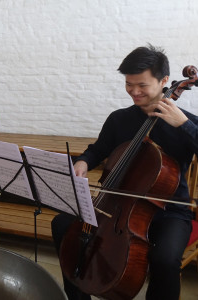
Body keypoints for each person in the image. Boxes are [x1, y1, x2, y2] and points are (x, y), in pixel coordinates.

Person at [52, 45, 198, 300]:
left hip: (169, 211)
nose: (134, 91)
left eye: (142, 85)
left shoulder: (185, 121)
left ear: (164, 81)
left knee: (165, 259)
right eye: (129, 84)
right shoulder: (119, 119)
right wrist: (84, 162)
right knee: (63, 225)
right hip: (116, 205)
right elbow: (97, 150)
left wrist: (184, 126)